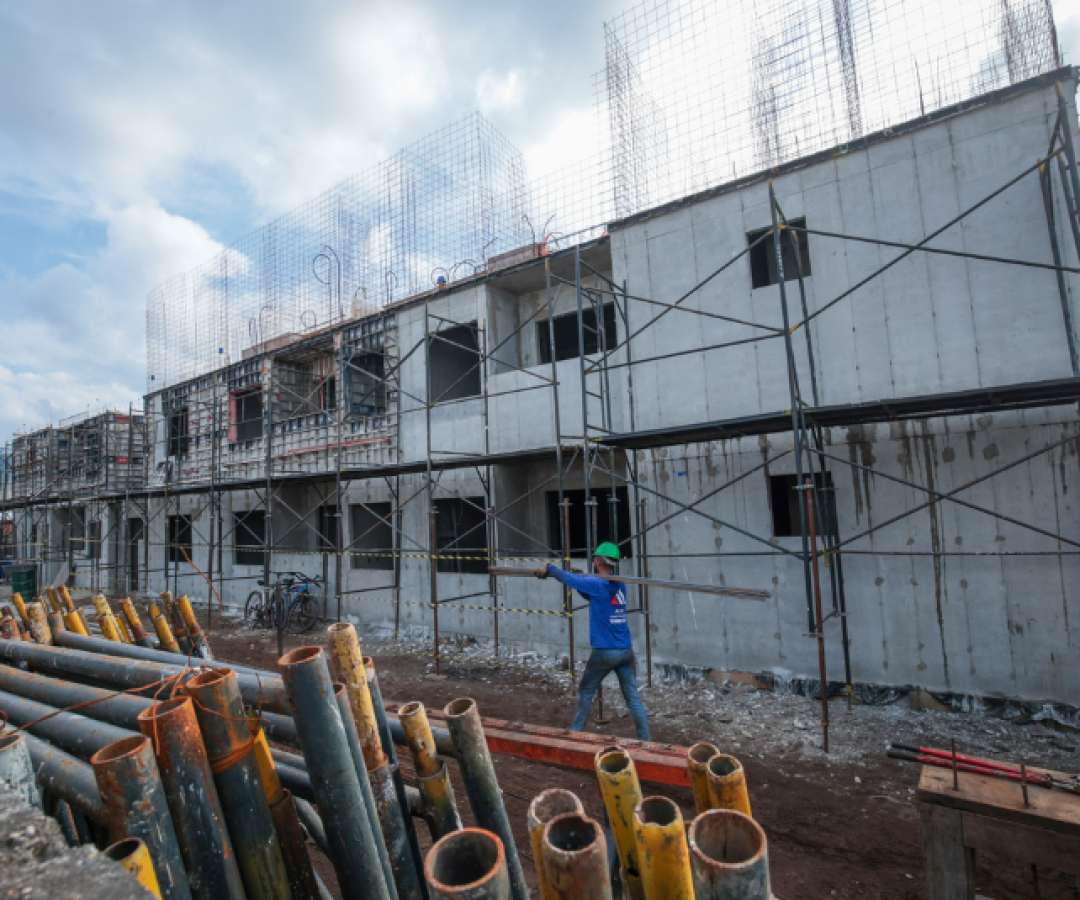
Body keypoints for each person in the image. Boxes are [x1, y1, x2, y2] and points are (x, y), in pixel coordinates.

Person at [536, 542, 651, 740]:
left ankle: (576, 733)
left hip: (605, 652)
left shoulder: (598, 584)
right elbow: (591, 595)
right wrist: (582, 579)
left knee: (586, 691)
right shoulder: (619, 583)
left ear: (598, 561)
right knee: (633, 699)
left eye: (595, 559)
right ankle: (646, 739)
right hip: (625, 651)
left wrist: (551, 569)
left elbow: (572, 580)